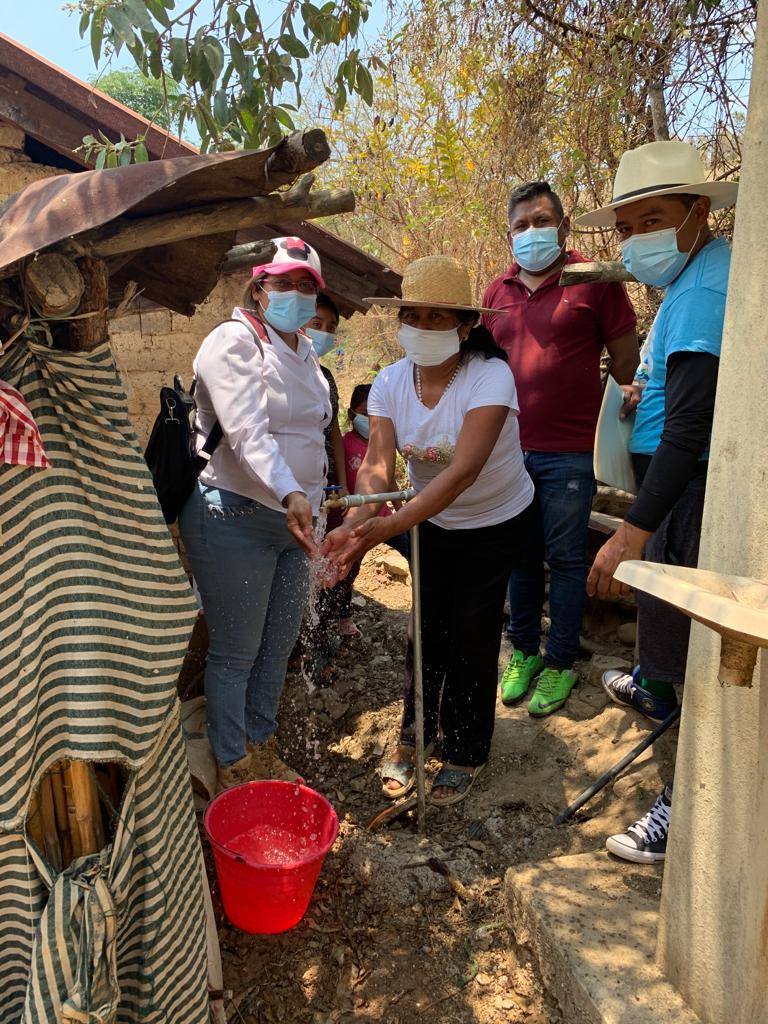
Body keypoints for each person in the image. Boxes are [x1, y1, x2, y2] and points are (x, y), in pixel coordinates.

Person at [322, 256, 536, 806]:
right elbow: (376, 466)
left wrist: (385, 527)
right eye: (412, 315)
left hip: (496, 520)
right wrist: (353, 525)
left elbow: (463, 471)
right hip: (432, 520)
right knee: (426, 628)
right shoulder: (392, 382)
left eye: (437, 316)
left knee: (473, 628)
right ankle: (415, 734)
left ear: (466, 325)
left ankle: (466, 750)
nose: (421, 326)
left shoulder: (490, 376)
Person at [579, 140, 738, 862]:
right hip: (674, 487)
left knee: (698, 649)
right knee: (670, 633)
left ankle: (686, 802)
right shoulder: (693, 280)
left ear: (698, 211)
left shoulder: (705, 287)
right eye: (626, 225)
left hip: (692, 490)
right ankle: (657, 691)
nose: (637, 237)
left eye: (654, 217)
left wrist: (633, 530)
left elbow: (692, 428)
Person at [179, 237, 332, 792]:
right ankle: (231, 763)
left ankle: (259, 746)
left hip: (295, 525)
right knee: (237, 652)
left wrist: (315, 503)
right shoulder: (233, 342)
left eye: (306, 285)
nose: (294, 292)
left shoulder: (306, 351)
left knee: (277, 647)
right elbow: (247, 432)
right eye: (283, 282)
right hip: (236, 515)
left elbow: (313, 433)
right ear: (259, 285)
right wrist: (293, 493)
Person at [482, 182, 639, 717]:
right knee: (520, 558)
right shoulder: (496, 292)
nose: (531, 233)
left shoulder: (591, 280)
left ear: (564, 226)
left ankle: (560, 662)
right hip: (507, 451)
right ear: (509, 234)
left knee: (567, 559)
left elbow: (624, 356)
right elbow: (480, 367)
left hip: (571, 451)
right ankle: (523, 651)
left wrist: (633, 391)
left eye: (541, 221)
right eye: (521, 225)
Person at [334, 382, 411, 639]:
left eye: (372, 414)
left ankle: (423, 605)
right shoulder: (344, 445)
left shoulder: (381, 444)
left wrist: (403, 514)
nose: (368, 419)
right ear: (351, 415)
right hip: (353, 521)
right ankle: (343, 617)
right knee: (348, 569)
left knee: (413, 549)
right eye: (363, 413)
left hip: (384, 518)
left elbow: (389, 481)